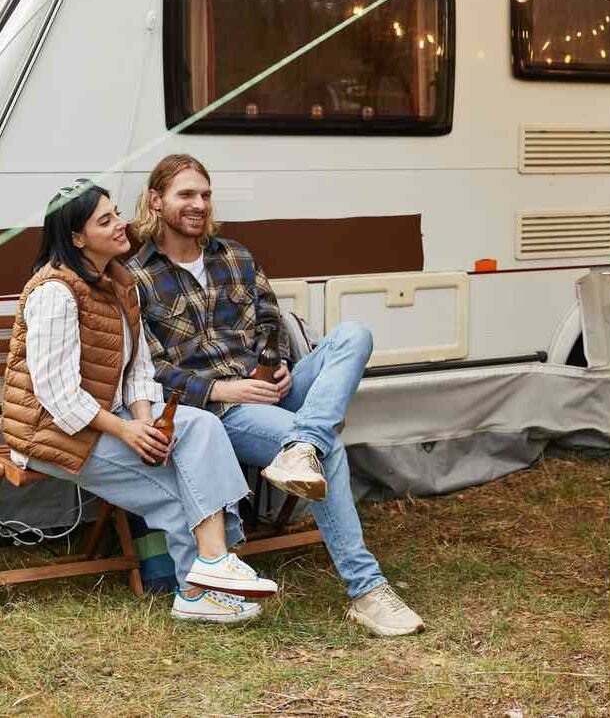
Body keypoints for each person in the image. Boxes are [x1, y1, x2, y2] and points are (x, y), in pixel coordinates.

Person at [127, 154, 423, 637]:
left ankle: (302, 444)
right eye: (186, 195)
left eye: (204, 194)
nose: (198, 204)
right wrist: (225, 387)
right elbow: (145, 369)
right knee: (328, 452)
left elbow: (270, 320)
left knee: (354, 333)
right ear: (156, 201)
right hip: (220, 412)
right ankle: (366, 591)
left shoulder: (235, 256)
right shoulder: (136, 277)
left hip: (270, 389)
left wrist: (279, 366)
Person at [1, 180, 276, 622]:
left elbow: (138, 369)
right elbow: (57, 395)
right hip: (50, 432)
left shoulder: (118, 282)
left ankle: (211, 564)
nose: (120, 225)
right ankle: (195, 589)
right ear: (77, 238)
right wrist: (128, 432)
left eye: (116, 214)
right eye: (105, 220)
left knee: (203, 426)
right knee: (172, 491)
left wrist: (147, 421)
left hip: (109, 416)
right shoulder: (55, 292)